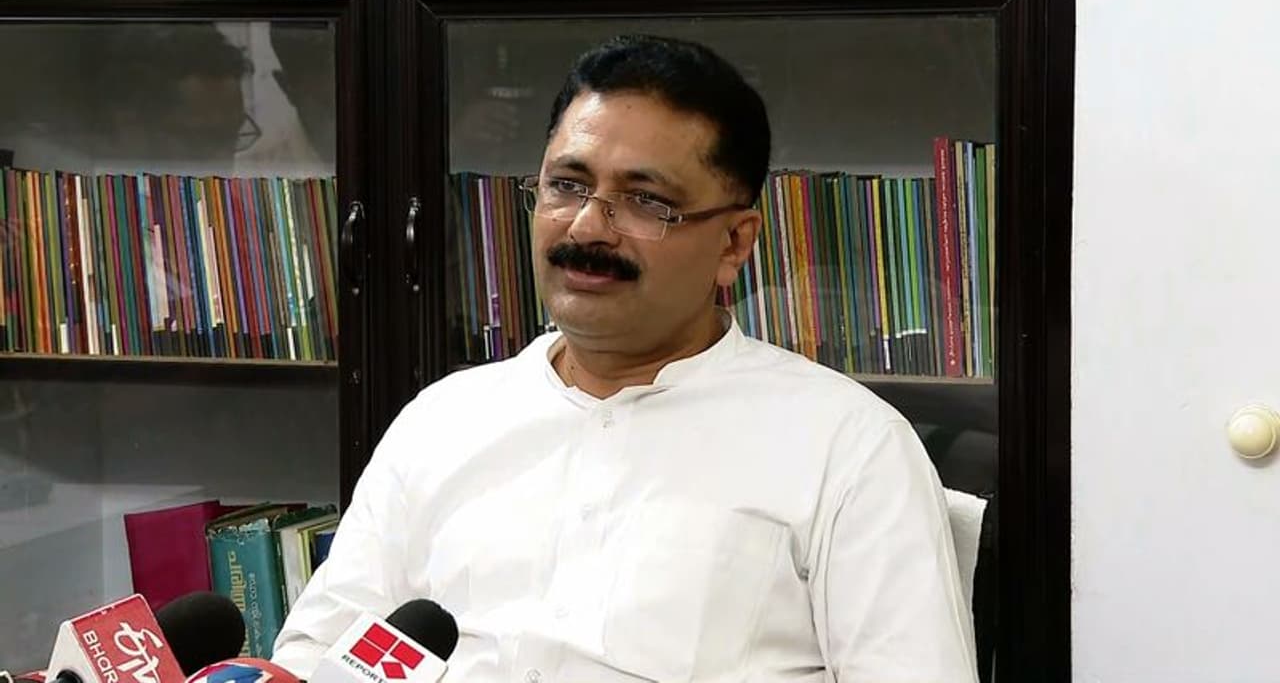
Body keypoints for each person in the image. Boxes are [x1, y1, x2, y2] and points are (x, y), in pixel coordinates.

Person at [273, 34, 978, 682]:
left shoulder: (847, 446)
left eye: (645, 201)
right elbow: (316, 654)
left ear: (734, 243)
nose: (587, 228)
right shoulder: (443, 421)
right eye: (566, 185)